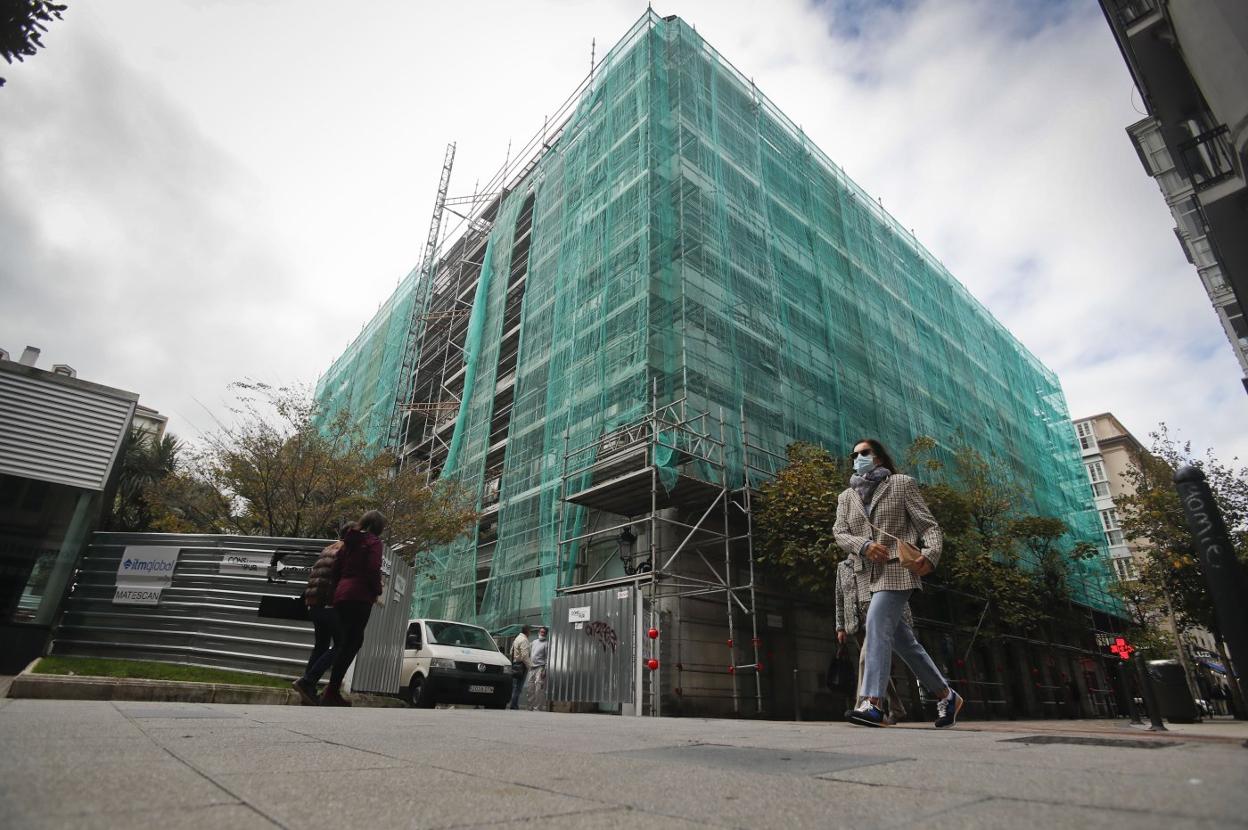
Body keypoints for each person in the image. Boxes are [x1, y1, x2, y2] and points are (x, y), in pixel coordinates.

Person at [834, 438, 961, 729]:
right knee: (905, 643)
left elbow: (928, 526)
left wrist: (930, 555)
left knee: (876, 624)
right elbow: (839, 533)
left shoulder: (901, 484)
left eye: (864, 453)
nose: (858, 458)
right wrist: (864, 545)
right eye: (854, 454)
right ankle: (946, 695)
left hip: (898, 570)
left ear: (879, 457)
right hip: (865, 575)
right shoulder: (846, 497)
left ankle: (872, 703)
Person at [322, 510, 387, 707]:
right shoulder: (374, 542)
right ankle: (332, 691)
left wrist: (335, 594)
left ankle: (331, 689)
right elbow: (373, 567)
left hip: (342, 594)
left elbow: (335, 570)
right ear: (378, 527)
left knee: (344, 641)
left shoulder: (348, 542)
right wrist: (376, 590)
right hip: (360, 595)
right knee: (353, 642)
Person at [834, 557, 910, 724]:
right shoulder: (842, 567)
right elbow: (840, 597)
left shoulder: (875, 559)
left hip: (876, 619)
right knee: (875, 663)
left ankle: (863, 707)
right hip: (855, 623)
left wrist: (903, 619)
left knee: (865, 660)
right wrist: (840, 626)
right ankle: (897, 708)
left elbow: (890, 590)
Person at [292, 527, 349, 705]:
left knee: (321, 646)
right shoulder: (344, 551)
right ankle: (307, 681)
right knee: (341, 644)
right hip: (328, 603)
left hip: (314, 603)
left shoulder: (328, 548)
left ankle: (307, 691)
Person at [525, 626, 549, 711]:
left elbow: (547, 658)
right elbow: (527, 651)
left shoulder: (546, 644)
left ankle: (537, 708)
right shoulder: (534, 642)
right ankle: (529, 707)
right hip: (532, 668)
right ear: (538, 632)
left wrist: (545, 670)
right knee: (530, 688)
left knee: (538, 689)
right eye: (541, 632)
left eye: (543, 632)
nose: (542, 633)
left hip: (540, 668)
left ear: (546, 634)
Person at [509, 624, 532, 710]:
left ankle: (513, 703)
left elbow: (511, 651)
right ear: (528, 632)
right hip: (521, 666)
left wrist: (515, 659)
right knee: (518, 686)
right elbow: (525, 656)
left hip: (515, 664)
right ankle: (514, 705)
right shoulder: (524, 640)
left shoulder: (517, 639)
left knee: (514, 685)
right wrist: (530, 666)